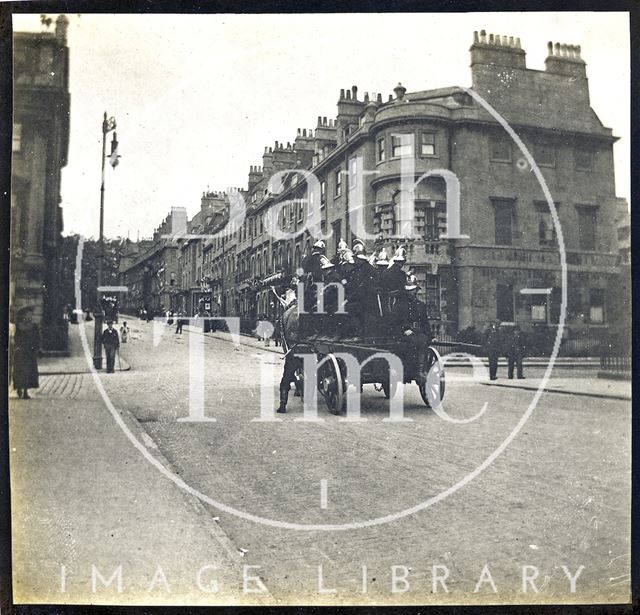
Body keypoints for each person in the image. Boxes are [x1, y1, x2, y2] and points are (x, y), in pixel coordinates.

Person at [393, 275, 431, 380]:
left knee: (423, 340)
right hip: (403, 333)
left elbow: (425, 323)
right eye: (408, 290)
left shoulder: (421, 305)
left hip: (418, 332)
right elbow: (395, 322)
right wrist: (404, 330)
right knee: (411, 343)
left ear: (416, 290)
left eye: (413, 290)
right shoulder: (399, 305)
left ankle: (420, 371)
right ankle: (409, 370)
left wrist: (431, 336)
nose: (411, 293)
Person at [12, 306, 40, 399]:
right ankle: (19, 388)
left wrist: (38, 349)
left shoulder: (34, 326)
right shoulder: (18, 326)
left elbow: (37, 339)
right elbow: (16, 339)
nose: (30, 316)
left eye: (31, 314)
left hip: (30, 352)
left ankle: (25, 391)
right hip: (21, 351)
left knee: (29, 371)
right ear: (24, 315)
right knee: (21, 371)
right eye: (28, 314)